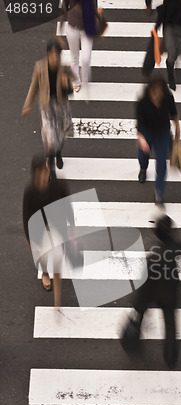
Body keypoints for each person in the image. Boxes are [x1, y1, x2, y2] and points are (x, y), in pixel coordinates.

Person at [121, 215, 181, 370]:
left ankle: (135, 345)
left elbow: (146, 283)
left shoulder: (153, 258)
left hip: (154, 293)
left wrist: (137, 303)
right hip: (170, 292)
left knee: (141, 314)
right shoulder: (176, 247)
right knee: (170, 325)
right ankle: (171, 358)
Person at [23, 152, 75, 308]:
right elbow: (26, 215)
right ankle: (45, 273)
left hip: (57, 227)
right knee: (43, 258)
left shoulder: (58, 185)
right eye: (40, 172)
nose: (44, 175)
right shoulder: (30, 191)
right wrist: (29, 239)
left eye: (44, 170)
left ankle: (57, 301)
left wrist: (71, 225)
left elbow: (67, 204)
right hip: (39, 229)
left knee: (58, 260)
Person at [22, 39, 74, 175]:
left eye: (57, 54)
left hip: (61, 105)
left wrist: (66, 85)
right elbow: (34, 87)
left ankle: (58, 153)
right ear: (47, 54)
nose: (54, 57)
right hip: (46, 105)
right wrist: (28, 105)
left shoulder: (64, 69)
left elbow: (71, 91)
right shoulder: (39, 67)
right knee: (50, 137)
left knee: (62, 134)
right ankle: (50, 165)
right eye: (52, 54)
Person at [136, 75, 180, 206]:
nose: (157, 95)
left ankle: (158, 193)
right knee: (143, 155)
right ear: (149, 91)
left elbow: (174, 114)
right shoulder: (142, 102)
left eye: (159, 91)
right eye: (154, 92)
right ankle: (143, 169)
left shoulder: (168, 98)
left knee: (161, 164)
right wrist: (141, 139)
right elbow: (139, 123)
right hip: (147, 133)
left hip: (162, 133)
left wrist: (178, 129)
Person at [60, 0, 103, 92]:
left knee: (86, 59)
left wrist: (98, 15)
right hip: (72, 29)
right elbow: (64, 9)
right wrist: (60, 28)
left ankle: (85, 77)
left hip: (87, 29)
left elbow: (94, 8)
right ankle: (76, 81)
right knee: (74, 58)